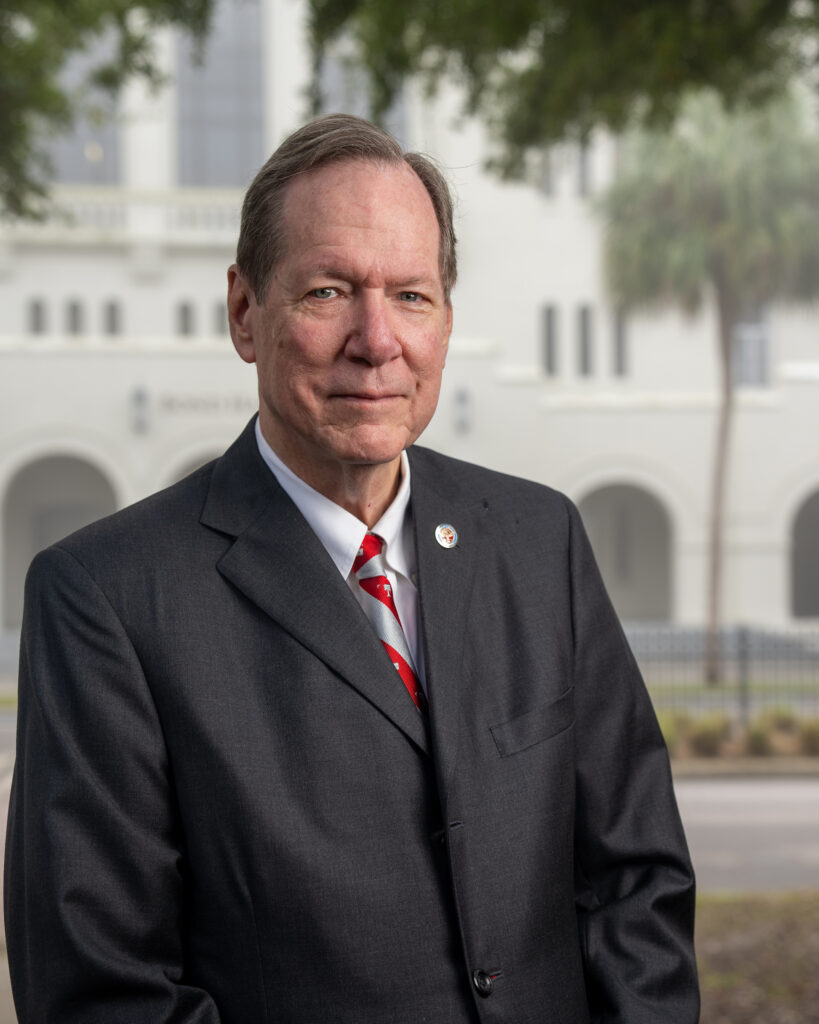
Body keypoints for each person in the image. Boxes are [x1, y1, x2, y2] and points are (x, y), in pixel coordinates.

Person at [5, 113, 699, 1023]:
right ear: (246, 312)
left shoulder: (540, 541)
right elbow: (102, 990)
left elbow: (635, 883)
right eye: (330, 291)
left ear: (445, 322)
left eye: (410, 296)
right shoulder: (107, 598)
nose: (377, 341)